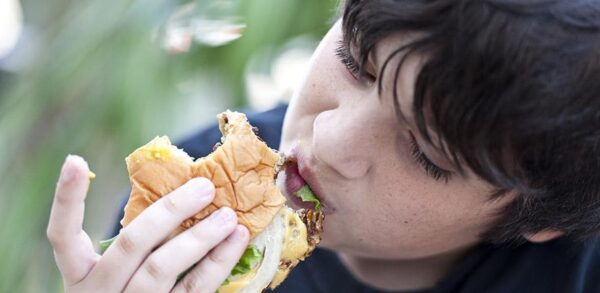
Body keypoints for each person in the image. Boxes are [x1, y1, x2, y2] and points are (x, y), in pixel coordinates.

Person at [47, 0, 600, 292]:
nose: (330, 141)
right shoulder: (187, 217)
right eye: (353, 61)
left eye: (425, 153)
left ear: (541, 214)